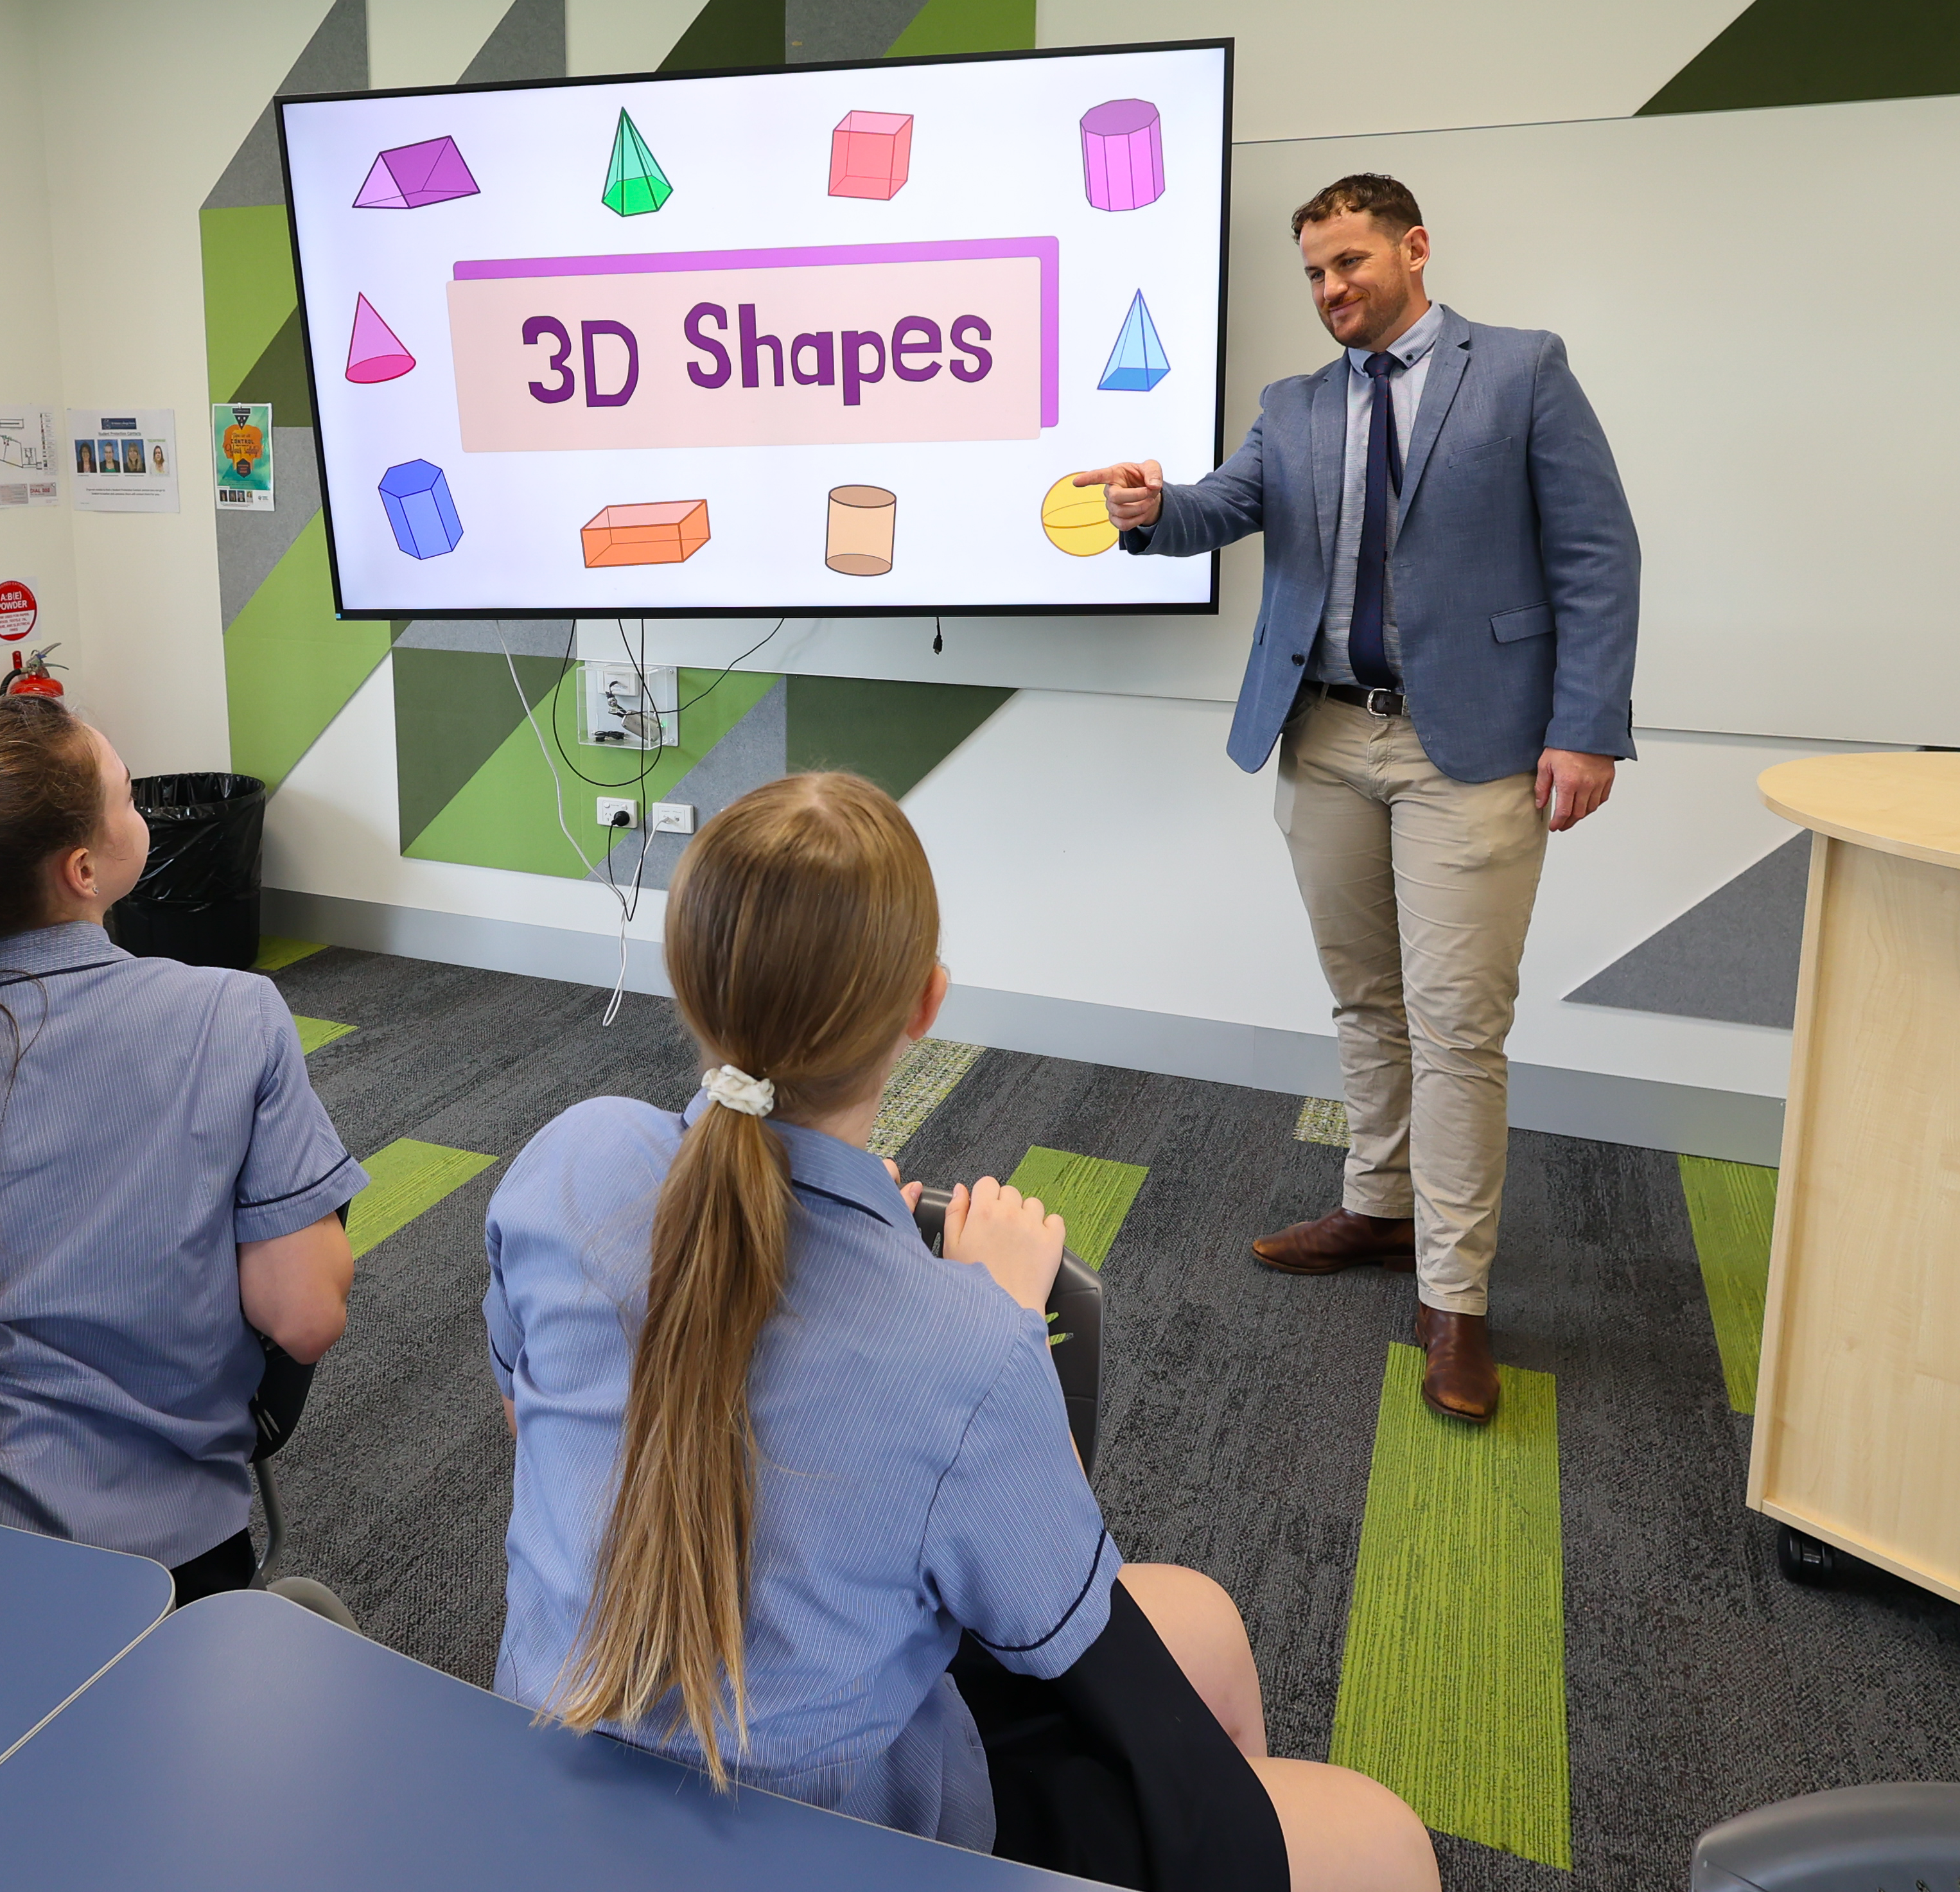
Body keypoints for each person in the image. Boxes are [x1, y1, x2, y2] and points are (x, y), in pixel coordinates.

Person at [482, 771, 1437, 1892]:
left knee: (1209, 1627)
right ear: (925, 1007)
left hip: (544, 1783)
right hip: (842, 1839)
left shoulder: (567, 1163)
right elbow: (1040, 1621)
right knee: (1385, 1841)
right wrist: (1002, 1316)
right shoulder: (966, 1349)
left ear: (689, 980)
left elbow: (533, 1415)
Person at [1074, 174, 1638, 1423]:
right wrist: (1144, 507)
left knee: (1454, 1029)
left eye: (1349, 264)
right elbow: (1217, 511)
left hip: (1468, 753)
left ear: (1412, 247)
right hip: (1322, 741)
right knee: (1365, 1000)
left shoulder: (1521, 372)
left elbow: (1597, 556)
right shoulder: (1293, 407)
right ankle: (1378, 1209)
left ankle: (1454, 1298)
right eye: (1315, 274)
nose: (1331, 290)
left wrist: (1585, 728)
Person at [0, 695, 365, 1606]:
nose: (142, 810)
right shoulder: (229, 1015)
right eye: (129, 796)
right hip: (164, 1567)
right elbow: (304, 1317)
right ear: (84, 868)